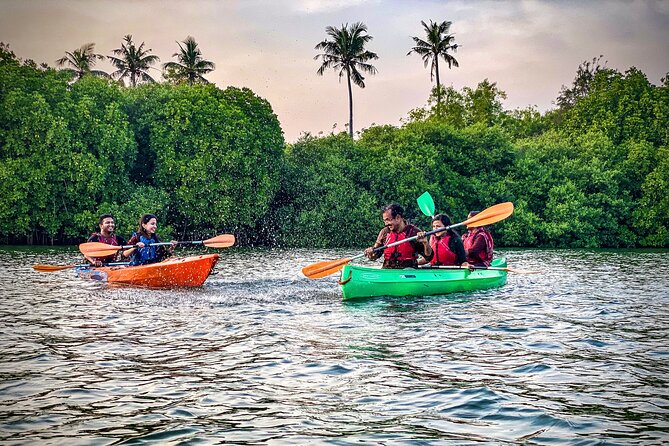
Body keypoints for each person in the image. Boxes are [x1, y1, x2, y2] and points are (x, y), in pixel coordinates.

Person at [364, 204, 432, 269]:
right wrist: (371, 253)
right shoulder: (385, 232)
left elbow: (429, 257)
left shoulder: (414, 232)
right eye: (384, 221)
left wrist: (425, 243)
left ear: (398, 218)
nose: (386, 224)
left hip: (408, 271)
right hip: (388, 270)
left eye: (388, 220)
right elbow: (375, 256)